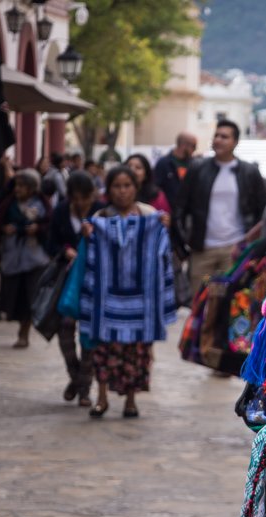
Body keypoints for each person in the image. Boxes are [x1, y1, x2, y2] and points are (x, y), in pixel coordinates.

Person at [82, 166, 174, 419]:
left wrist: (164, 225)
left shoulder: (150, 215)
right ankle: (101, 398)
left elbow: (163, 254)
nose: (122, 191)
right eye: (116, 186)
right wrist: (88, 233)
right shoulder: (100, 217)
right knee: (104, 351)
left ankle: (131, 401)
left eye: (127, 186)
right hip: (107, 300)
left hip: (141, 303)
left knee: (136, 353)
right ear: (108, 190)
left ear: (136, 188)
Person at [173, 119, 266, 293]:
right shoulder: (197, 169)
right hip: (202, 249)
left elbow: (264, 212)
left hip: (235, 251)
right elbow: (180, 207)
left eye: (224, 137)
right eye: (216, 136)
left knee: (230, 308)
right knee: (199, 305)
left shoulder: (249, 172)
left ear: (235, 142)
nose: (218, 140)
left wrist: (251, 245)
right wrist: (183, 246)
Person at [46, 171, 105, 407]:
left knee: (89, 335)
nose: (80, 203)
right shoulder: (61, 211)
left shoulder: (101, 211)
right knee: (65, 330)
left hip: (94, 280)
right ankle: (77, 376)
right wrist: (65, 251)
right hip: (67, 280)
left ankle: (84, 389)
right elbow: (50, 242)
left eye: (85, 198)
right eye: (76, 198)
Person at [0, 169, 51, 348]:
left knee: (30, 297)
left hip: (35, 258)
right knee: (15, 296)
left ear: (32, 189)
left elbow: (49, 225)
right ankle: (20, 326)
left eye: (23, 186)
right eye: (17, 185)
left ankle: (24, 332)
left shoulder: (41, 204)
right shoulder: (8, 204)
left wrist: (38, 229)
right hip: (13, 257)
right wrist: (4, 230)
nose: (18, 189)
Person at [153, 131, 197, 208]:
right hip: (168, 211)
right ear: (184, 145)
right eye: (193, 146)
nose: (195, 149)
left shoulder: (194, 164)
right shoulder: (164, 163)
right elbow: (156, 188)